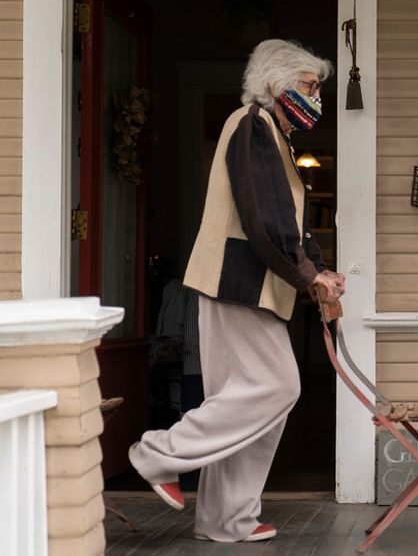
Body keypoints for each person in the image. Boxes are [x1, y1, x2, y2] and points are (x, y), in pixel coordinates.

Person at [128, 39, 346, 543]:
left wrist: (317, 270)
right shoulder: (251, 126)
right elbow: (262, 216)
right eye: (310, 86)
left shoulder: (274, 135)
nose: (316, 97)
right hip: (237, 284)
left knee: (250, 402)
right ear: (278, 82)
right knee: (277, 388)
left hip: (256, 287)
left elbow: (289, 223)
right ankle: (158, 454)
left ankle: (225, 520)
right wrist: (307, 275)